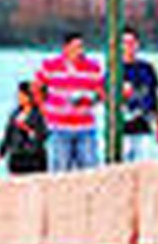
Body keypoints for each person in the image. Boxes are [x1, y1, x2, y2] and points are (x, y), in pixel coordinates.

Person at [34, 31, 105, 172]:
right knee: (60, 170)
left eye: (81, 47)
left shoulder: (93, 67)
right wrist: (43, 108)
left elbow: (101, 93)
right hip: (59, 126)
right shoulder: (50, 65)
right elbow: (36, 87)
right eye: (75, 47)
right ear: (65, 48)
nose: (79, 51)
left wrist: (91, 99)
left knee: (90, 169)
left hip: (85, 127)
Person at [119, 26, 158, 162]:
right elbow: (104, 97)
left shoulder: (147, 68)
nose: (129, 47)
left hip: (144, 127)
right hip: (122, 130)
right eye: (125, 43)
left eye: (132, 43)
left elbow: (155, 96)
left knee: (146, 166)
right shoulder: (115, 69)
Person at [0, 81, 49, 175]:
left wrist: (28, 130)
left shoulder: (39, 115)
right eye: (19, 95)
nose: (19, 98)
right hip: (16, 159)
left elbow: (43, 136)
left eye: (22, 95)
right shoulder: (14, 114)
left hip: (34, 161)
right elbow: (7, 137)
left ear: (30, 97)